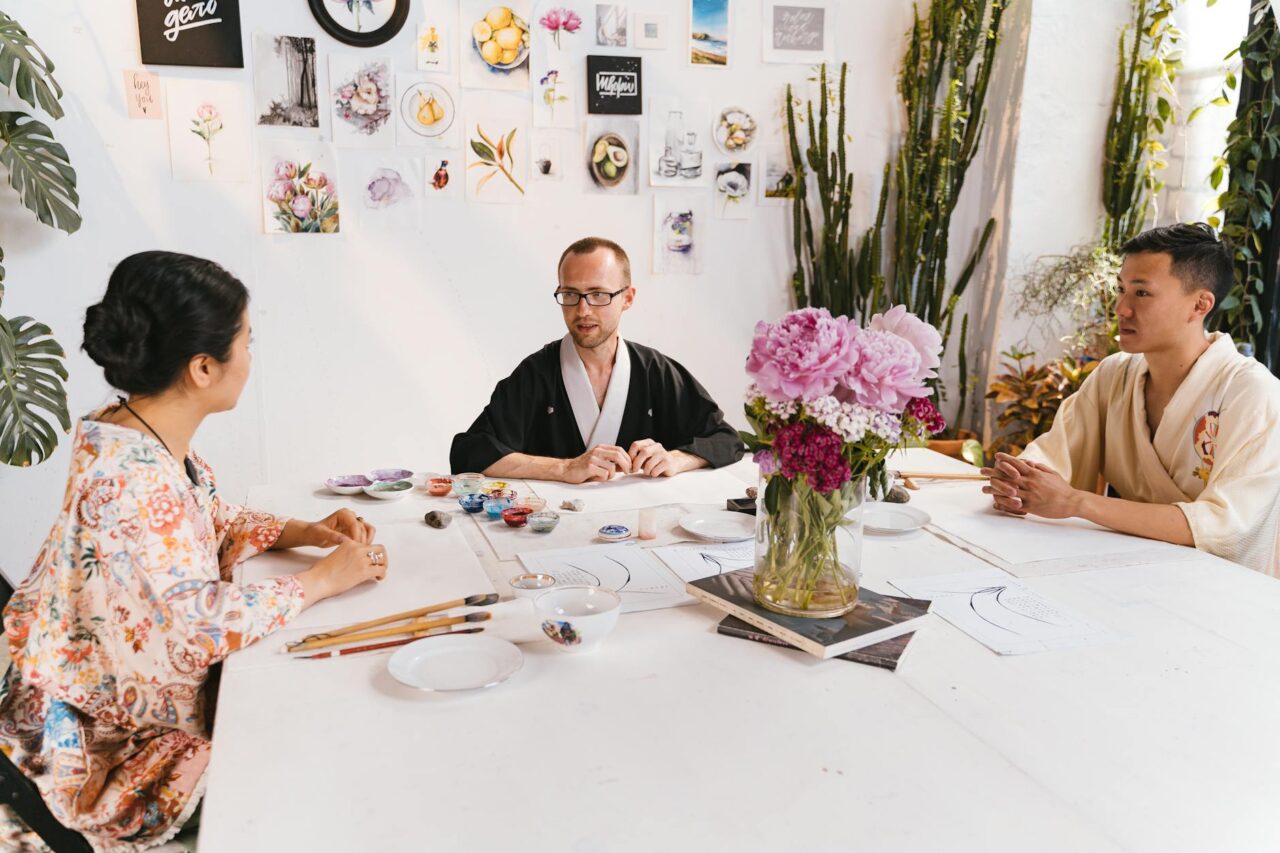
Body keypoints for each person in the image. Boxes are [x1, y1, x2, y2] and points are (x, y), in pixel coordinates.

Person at [0, 252, 391, 848]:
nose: (251, 358)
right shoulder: (131, 479)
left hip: (78, 691)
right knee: (323, 750)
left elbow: (205, 515)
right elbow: (193, 628)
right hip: (102, 744)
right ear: (204, 368)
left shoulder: (130, 429)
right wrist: (320, 581)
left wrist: (305, 531)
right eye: (247, 343)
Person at [982, 223, 1280, 576]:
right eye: (1121, 289)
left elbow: (1224, 525)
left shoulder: (1252, 391)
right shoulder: (1114, 375)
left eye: (1142, 293)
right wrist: (1018, 481)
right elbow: (1056, 454)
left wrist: (1077, 502)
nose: (1121, 308)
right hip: (1130, 571)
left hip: (1222, 587)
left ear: (1200, 304)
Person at [450, 237, 744, 483]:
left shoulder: (655, 371)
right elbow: (470, 452)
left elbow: (725, 440)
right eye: (570, 294)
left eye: (598, 294)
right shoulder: (536, 373)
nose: (583, 310)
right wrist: (565, 468)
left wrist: (676, 459)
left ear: (627, 298)